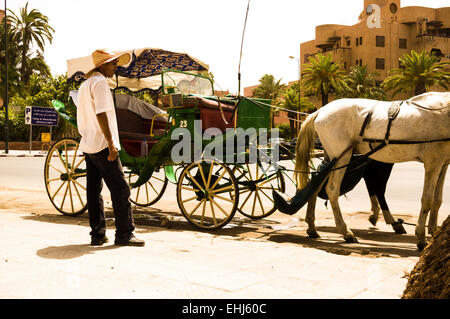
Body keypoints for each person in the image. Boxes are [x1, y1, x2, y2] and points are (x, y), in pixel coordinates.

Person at [77, 49, 145, 247]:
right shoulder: (99, 83)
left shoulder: (84, 85)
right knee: (121, 189)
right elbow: (100, 114)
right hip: (101, 144)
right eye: (113, 64)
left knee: (93, 190)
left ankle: (97, 235)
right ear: (102, 66)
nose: (116, 67)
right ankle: (125, 234)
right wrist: (110, 143)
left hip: (89, 143)